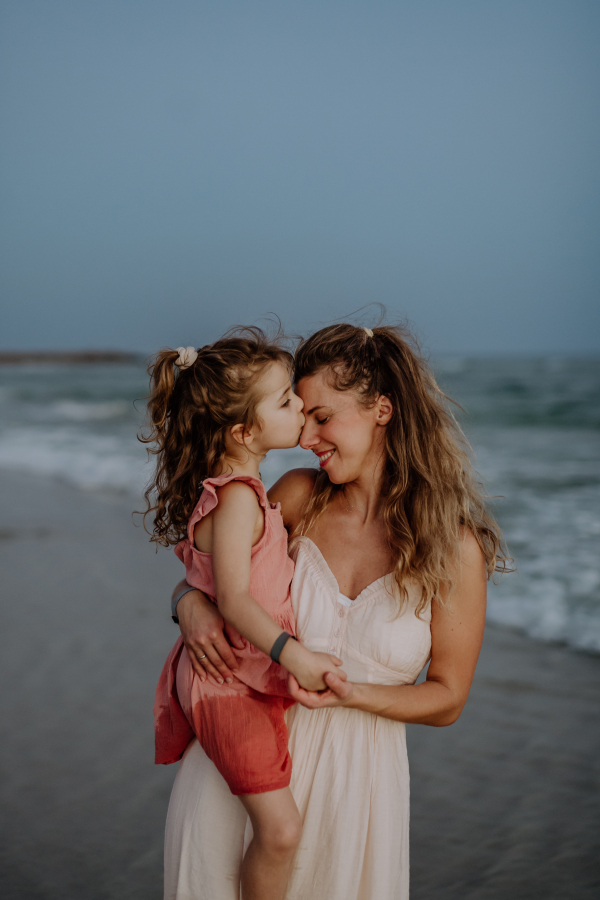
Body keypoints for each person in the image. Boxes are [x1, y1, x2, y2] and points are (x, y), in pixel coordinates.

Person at [165, 323, 510, 900]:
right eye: (301, 415)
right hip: (240, 777)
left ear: (382, 409)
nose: (307, 436)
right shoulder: (299, 496)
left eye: (322, 417)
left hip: (359, 794)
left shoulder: (453, 547)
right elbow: (213, 573)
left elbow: (448, 698)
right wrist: (187, 604)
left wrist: (353, 693)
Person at [142, 330, 347, 900]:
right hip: (224, 683)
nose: (300, 407)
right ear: (243, 431)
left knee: (278, 826)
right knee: (281, 831)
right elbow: (232, 599)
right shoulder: (235, 498)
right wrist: (294, 655)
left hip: (234, 677)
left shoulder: (248, 492)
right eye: (285, 401)